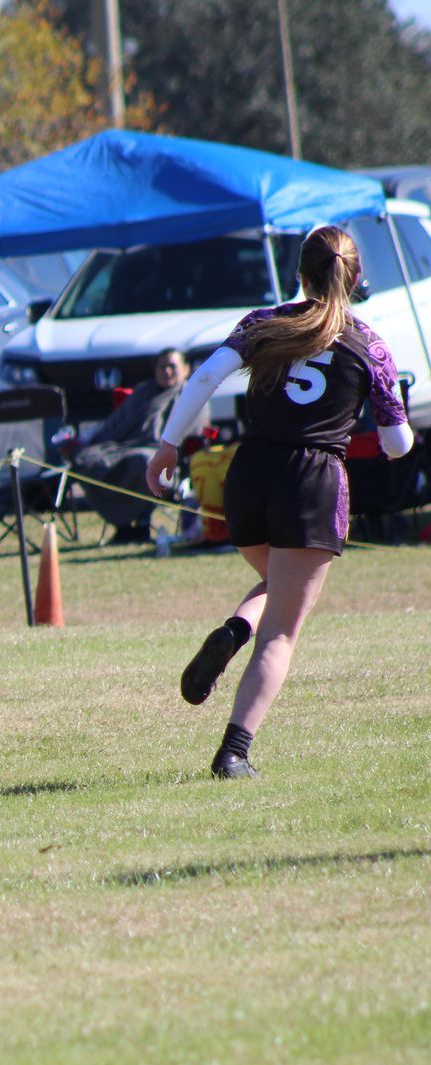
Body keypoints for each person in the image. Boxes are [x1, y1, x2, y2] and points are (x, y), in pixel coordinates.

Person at [145, 225, 413, 779]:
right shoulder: (369, 342)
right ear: (355, 277)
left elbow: (204, 378)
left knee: (275, 586)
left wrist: (168, 445)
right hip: (313, 480)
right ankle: (234, 753)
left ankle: (234, 631)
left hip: (249, 474)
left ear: (301, 272)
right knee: (284, 632)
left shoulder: (263, 322)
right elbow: (398, 442)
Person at [75, 348, 205, 541]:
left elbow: (190, 434)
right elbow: (115, 425)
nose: (167, 371)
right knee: (85, 459)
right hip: (122, 449)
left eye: (172, 366)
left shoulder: (193, 396)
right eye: (162, 367)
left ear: (186, 369)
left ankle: (138, 524)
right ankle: (124, 525)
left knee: (143, 462)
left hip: (166, 463)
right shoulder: (143, 392)